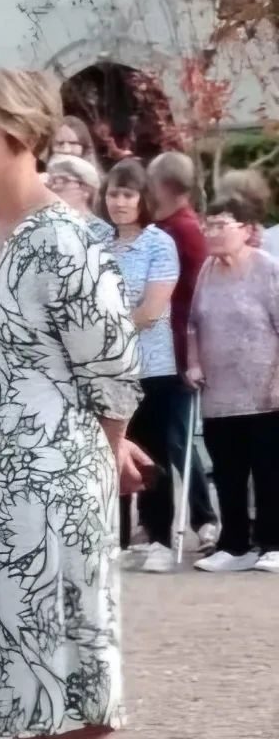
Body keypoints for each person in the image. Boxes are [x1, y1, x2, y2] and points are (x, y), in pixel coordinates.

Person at [0, 67, 142, 739]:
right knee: (3, 672)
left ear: (20, 131)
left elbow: (115, 371)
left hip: (50, 495)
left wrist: (103, 457)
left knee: (60, 674)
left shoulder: (63, 241)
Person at [187, 194, 279, 574]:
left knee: (270, 470)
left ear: (246, 228)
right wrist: (193, 362)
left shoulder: (267, 268)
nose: (212, 232)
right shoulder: (207, 270)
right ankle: (235, 544)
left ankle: (273, 543)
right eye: (208, 224)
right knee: (227, 472)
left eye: (221, 224)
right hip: (219, 394)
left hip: (263, 392)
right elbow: (193, 322)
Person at [102, 159, 183, 572]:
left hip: (149, 365)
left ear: (143, 199)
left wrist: (100, 329)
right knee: (107, 451)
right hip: (104, 370)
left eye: (128, 194)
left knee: (150, 451)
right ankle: (113, 537)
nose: (119, 202)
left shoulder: (158, 243)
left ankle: (159, 539)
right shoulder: (96, 238)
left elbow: (151, 310)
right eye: (113, 194)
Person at [147, 151, 220, 552]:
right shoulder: (162, 228)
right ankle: (155, 522)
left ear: (164, 187)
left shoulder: (183, 231)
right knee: (159, 438)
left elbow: (194, 297)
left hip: (176, 352)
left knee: (177, 439)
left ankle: (203, 518)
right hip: (157, 353)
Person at [46, 154, 112, 243]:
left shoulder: (100, 231)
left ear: (85, 188)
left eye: (61, 181)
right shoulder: (42, 225)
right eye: (51, 181)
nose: (53, 187)